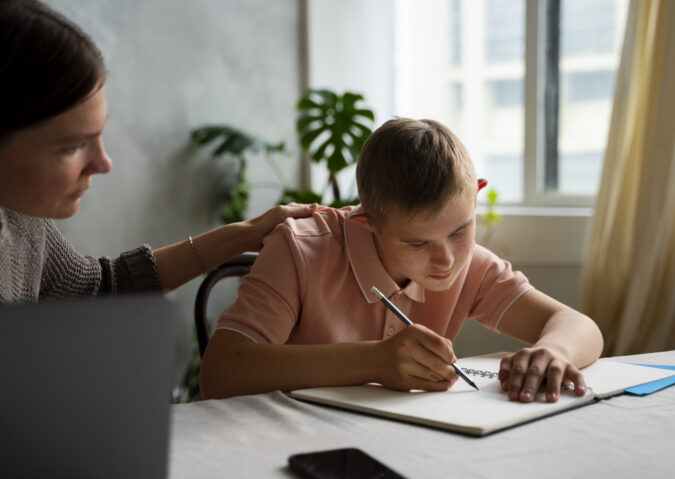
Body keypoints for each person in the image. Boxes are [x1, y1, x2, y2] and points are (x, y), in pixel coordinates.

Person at [200, 118, 604, 403]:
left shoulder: (471, 265)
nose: (446, 260)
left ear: (476, 195)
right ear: (366, 223)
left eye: (461, 230)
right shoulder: (299, 250)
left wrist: (555, 350)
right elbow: (221, 373)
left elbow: (579, 326)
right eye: (416, 243)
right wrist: (373, 360)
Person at [0, 0, 316, 303]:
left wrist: (248, 234)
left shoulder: (21, 219)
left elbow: (97, 289)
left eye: (98, 136)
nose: (103, 163)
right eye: (73, 146)